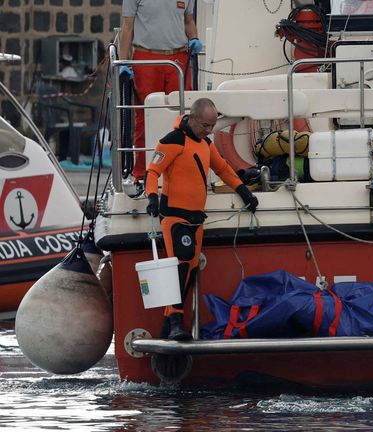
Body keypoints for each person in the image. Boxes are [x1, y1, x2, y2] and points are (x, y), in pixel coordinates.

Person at [145, 98, 259, 340]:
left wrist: (243, 191)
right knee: (181, 266)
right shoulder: (172, 141)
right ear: (194, 118)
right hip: (175, 216)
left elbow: (223, 169)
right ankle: (177, 323)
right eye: (206, 125)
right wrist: (152, 197)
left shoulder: (205, 144)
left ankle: (167, 327)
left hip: (196, 218)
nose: (209, 130)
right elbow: (152, 171)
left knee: (190, 270)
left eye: (212, 126)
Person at [119, 0, 203, 192]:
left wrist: (194, 38)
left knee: (183, 117)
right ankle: (142, 174)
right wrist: (123, 62)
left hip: (178, 58)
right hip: (146, 57)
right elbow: (127, 26)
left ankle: (181, 169)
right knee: (145, 117)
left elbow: (188, 21)